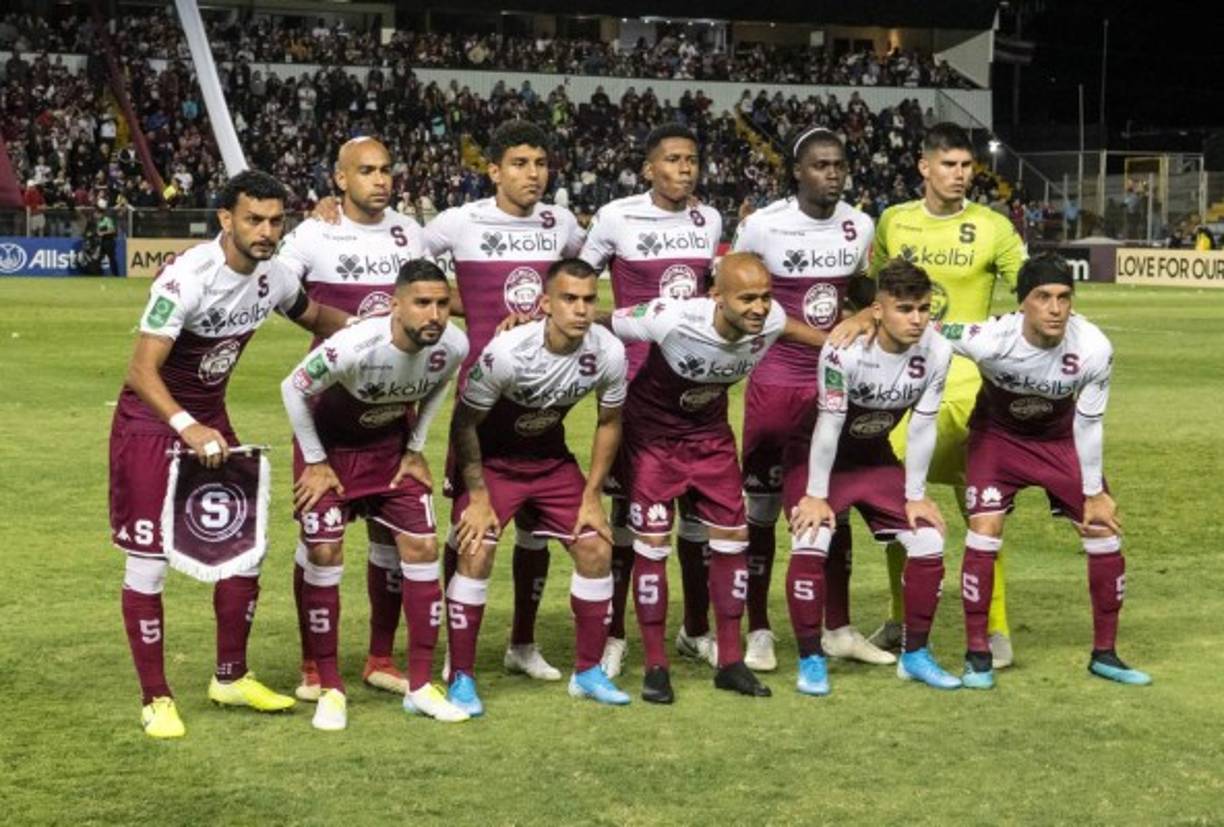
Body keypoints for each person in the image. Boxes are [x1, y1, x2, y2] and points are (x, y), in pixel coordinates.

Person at [110, 170, 350, 739]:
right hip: (153, 421)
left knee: (243, 550)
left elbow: (314, 316)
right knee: (149, 561)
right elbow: (141, 371)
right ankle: (156, 697)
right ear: (226, 220)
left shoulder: (275, 276)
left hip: (209, 419)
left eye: (275, 220)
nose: (267, 231)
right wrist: (187, 427)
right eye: (254, 220)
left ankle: (230, 676)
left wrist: (381, 326)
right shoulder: (189, 277)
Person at [836, 122, 1026, 665]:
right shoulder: (894, 221)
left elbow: (1029, 285)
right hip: (902, 383)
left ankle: (994, 628)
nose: (960, 175)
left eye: (967, 166)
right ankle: (901, 618)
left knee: (980, 507)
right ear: (924, 167)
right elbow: (873, 291)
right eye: (949, 165)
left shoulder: (992, 226)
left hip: (970, 386)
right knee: (899, 503)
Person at [607, 252, 828, 703]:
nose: (759, 308)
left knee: (734, 540)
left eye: (765, 297)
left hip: (710, 439)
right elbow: (604, 321)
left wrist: (852, 332)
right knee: (652, 546)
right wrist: (539, 319)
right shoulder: (671, 317)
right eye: (746, 298)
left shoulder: (771, 321)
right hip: (652, 439)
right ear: (715, 297)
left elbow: (803, 333)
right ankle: (655, 666)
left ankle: (730, 662)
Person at [938, 253, 1150, 688]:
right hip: (997, 439)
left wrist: (1094, 493)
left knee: (1104, 532)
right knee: (984, 529)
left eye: (1064, 297)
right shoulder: (989, 337)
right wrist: (865, 316)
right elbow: (927, 329)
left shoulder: (1093, 348)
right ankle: (977, 653)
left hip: (1061, 442)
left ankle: (1105, 653)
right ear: (1022, 304)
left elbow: (1089, 424)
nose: (1055, 308)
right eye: (1043, 297)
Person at [424, 120, 586, 682]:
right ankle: (454, 644)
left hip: (543, 392)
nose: (532, 174)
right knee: (466, 528)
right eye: (519, 164)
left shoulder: (561, 223)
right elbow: (404, 264)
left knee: (535, 527)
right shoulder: (458, 223)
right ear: (493, 170)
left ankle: (523, 641)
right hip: (481, 396)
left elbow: (577, 278)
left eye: (540, 164)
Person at [280, 259, 470, 730]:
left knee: (423, 546)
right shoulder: (355, 345)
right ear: (395, 305)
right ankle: (329, 687)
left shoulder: (453, 346)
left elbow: (438, 387)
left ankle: (422, 686)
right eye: (422, 303)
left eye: (442, 304)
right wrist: (317, 461)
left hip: (389, 452)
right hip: (330, 453)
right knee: (324, 552)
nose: (435, 315)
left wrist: (416, 447)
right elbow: (293, 388)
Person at [276, 137, 428, 701]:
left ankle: (380, 658)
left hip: (392, 412)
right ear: (340, 179)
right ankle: (314, 665)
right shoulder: (314, 233)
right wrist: (333, 326)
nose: (380, 180)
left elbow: (434, 298)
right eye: (366, 171)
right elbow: (276, 286)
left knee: (395, 540)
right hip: (327, 414)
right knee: (322, 547)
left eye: (387, 169)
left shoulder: (411, 232)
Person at [447, 259, 630, 714]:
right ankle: (461, 676)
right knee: (476, 548)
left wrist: (592, 497)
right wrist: (479, 497)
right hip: (492, 462)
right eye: (570, 299)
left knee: (596, 547)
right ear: (546, 304)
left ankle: (587, 673)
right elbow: (465, 423)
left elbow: (609, 422)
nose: (581, 310)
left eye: (589, 299)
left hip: (549, 462)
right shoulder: (508, 351)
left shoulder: (608, 351)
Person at [730, 127, 880, 672]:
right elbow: (732, 296)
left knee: (829, 506)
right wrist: (819, 336)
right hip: (775, 384)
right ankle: (761, 630)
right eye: (821, 165)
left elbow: (863, 291)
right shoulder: (763, 227)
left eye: (839, 164)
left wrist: (865, 313)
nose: (833, 173)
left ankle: (837, 627)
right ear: (797, 171)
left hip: (833, 387)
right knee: (762, 512)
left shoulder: (860, 225)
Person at [578, 122, 723, 678]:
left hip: (695, 382)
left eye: (691, 160)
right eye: (672, 160)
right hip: (635, 382)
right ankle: (614, 633)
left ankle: (695, 629)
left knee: (696, 511)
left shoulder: (709, 219)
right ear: (648, 168)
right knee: (627, 514)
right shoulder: (616, 216)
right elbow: (578, 279)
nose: (684, 169)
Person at [788, 258, 959, 695]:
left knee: (928, 537)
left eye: (923, 308)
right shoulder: (844, 349)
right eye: (905, 308)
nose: (917, 319)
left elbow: (922, 426)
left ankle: (916, 655)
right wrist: (815, 495)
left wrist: (916, 496)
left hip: (875, 457)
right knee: (812, 536)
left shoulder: (937, 350)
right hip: (818, 458)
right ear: (878, 310)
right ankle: (811, 659)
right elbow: (828, 424)